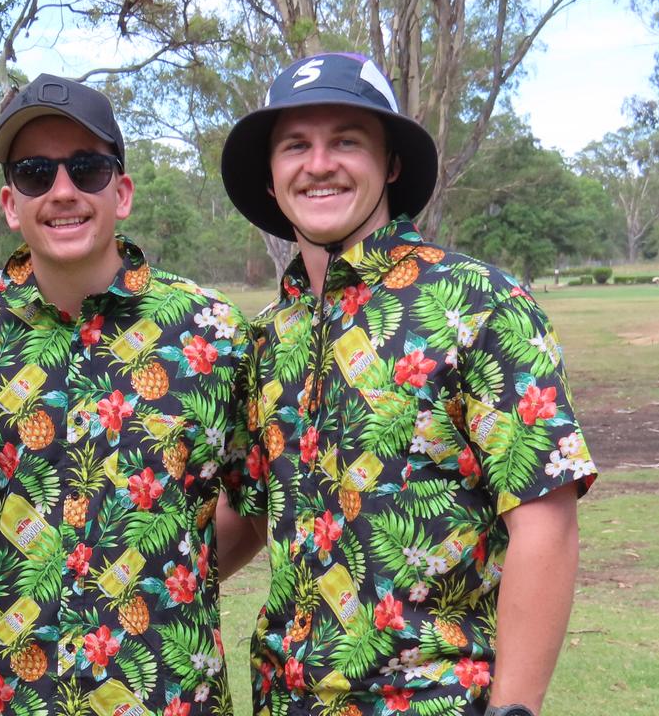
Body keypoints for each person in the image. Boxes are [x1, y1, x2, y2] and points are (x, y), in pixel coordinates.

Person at [219, 52, 597, 716]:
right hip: (285, 700)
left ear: (390, 164)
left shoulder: (479, 304)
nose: (319, 163)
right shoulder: (268, 336)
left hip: (438, 700)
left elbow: (545, 518)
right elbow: (250, 509)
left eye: (347, 141)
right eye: (295, 146)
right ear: (272, 178)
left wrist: (515, 709)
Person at [0, 73, 263, 716]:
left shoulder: (214, 334)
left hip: (170, 696)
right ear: (12, 203)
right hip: (11, 695)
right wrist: (16, 561)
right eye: (37, 172)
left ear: (120, 192)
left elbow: (251, 499)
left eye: (87, 168)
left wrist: (167, 572)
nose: (63, 191)